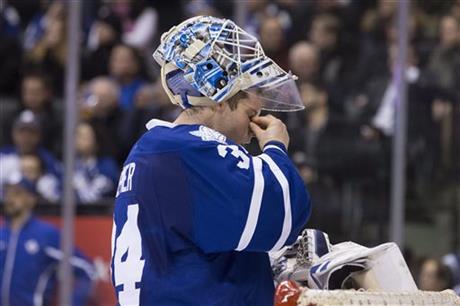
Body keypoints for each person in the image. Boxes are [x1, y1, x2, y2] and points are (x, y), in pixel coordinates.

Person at [111, 16, 311, 306]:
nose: (252, 133)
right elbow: (281, 218)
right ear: (217, 96)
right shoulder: (189, 149)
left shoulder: (156, 149)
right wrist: (276, 149)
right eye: (248, 114)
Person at [0, 177, 95, 306]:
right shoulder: (2, 234)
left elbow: (87, 268)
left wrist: (74, 302)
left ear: (31, 199)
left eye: (17, 193)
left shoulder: (45, 234)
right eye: (7, 193)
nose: (10, 199)